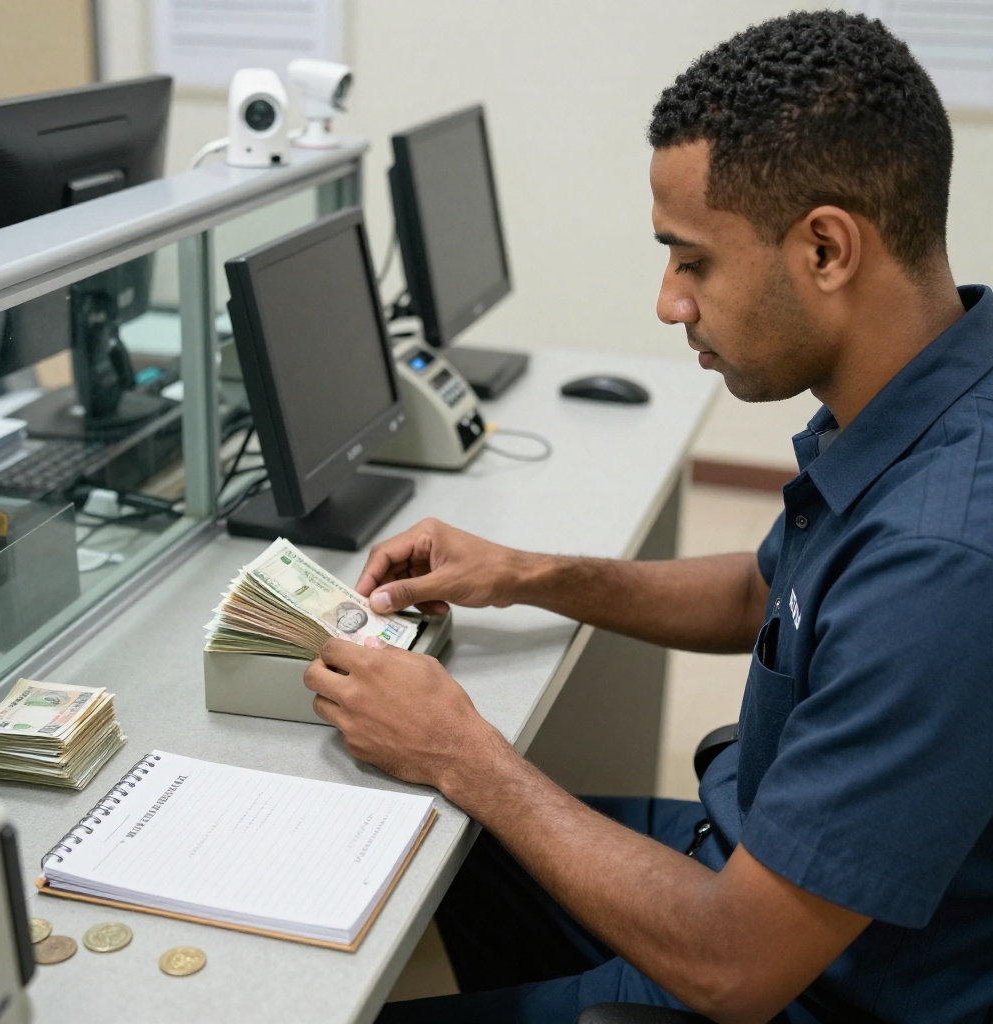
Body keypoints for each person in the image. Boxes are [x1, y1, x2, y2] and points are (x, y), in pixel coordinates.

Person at [305, 10, 993, 1024]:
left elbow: (736, 966)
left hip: (808, 979)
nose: (669, 302)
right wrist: (529, 572)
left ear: (825, 249)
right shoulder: (926, 390)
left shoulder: (945, 561)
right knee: (443, 843)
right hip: (749, 857)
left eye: (692, 260)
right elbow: (768, 591)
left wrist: (460, 747)